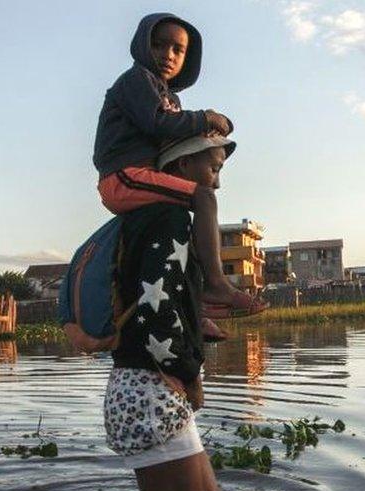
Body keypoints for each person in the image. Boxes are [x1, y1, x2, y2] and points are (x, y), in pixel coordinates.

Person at [103, 135, 239, 491]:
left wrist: (197, 331)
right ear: (181, 168)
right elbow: (156, 311)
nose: (215, 183)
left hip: (152, 391)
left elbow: (161, 300)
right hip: (152, 392)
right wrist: (191, 375)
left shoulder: (146, 218)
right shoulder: (169, 217)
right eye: (212, 169)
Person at [92, 12, 266, 319]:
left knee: (185, 227)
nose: (167, 55)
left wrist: (203, 131)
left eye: (178, 50)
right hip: (123, 176)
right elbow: (158, 122)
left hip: (143, 176)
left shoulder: (168, 96)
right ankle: (215, 283)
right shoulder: (136, 80)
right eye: (159, 45)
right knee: (203, 197)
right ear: (143, 45)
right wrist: (206, 117)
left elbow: (174, 136)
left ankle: (193, 307)